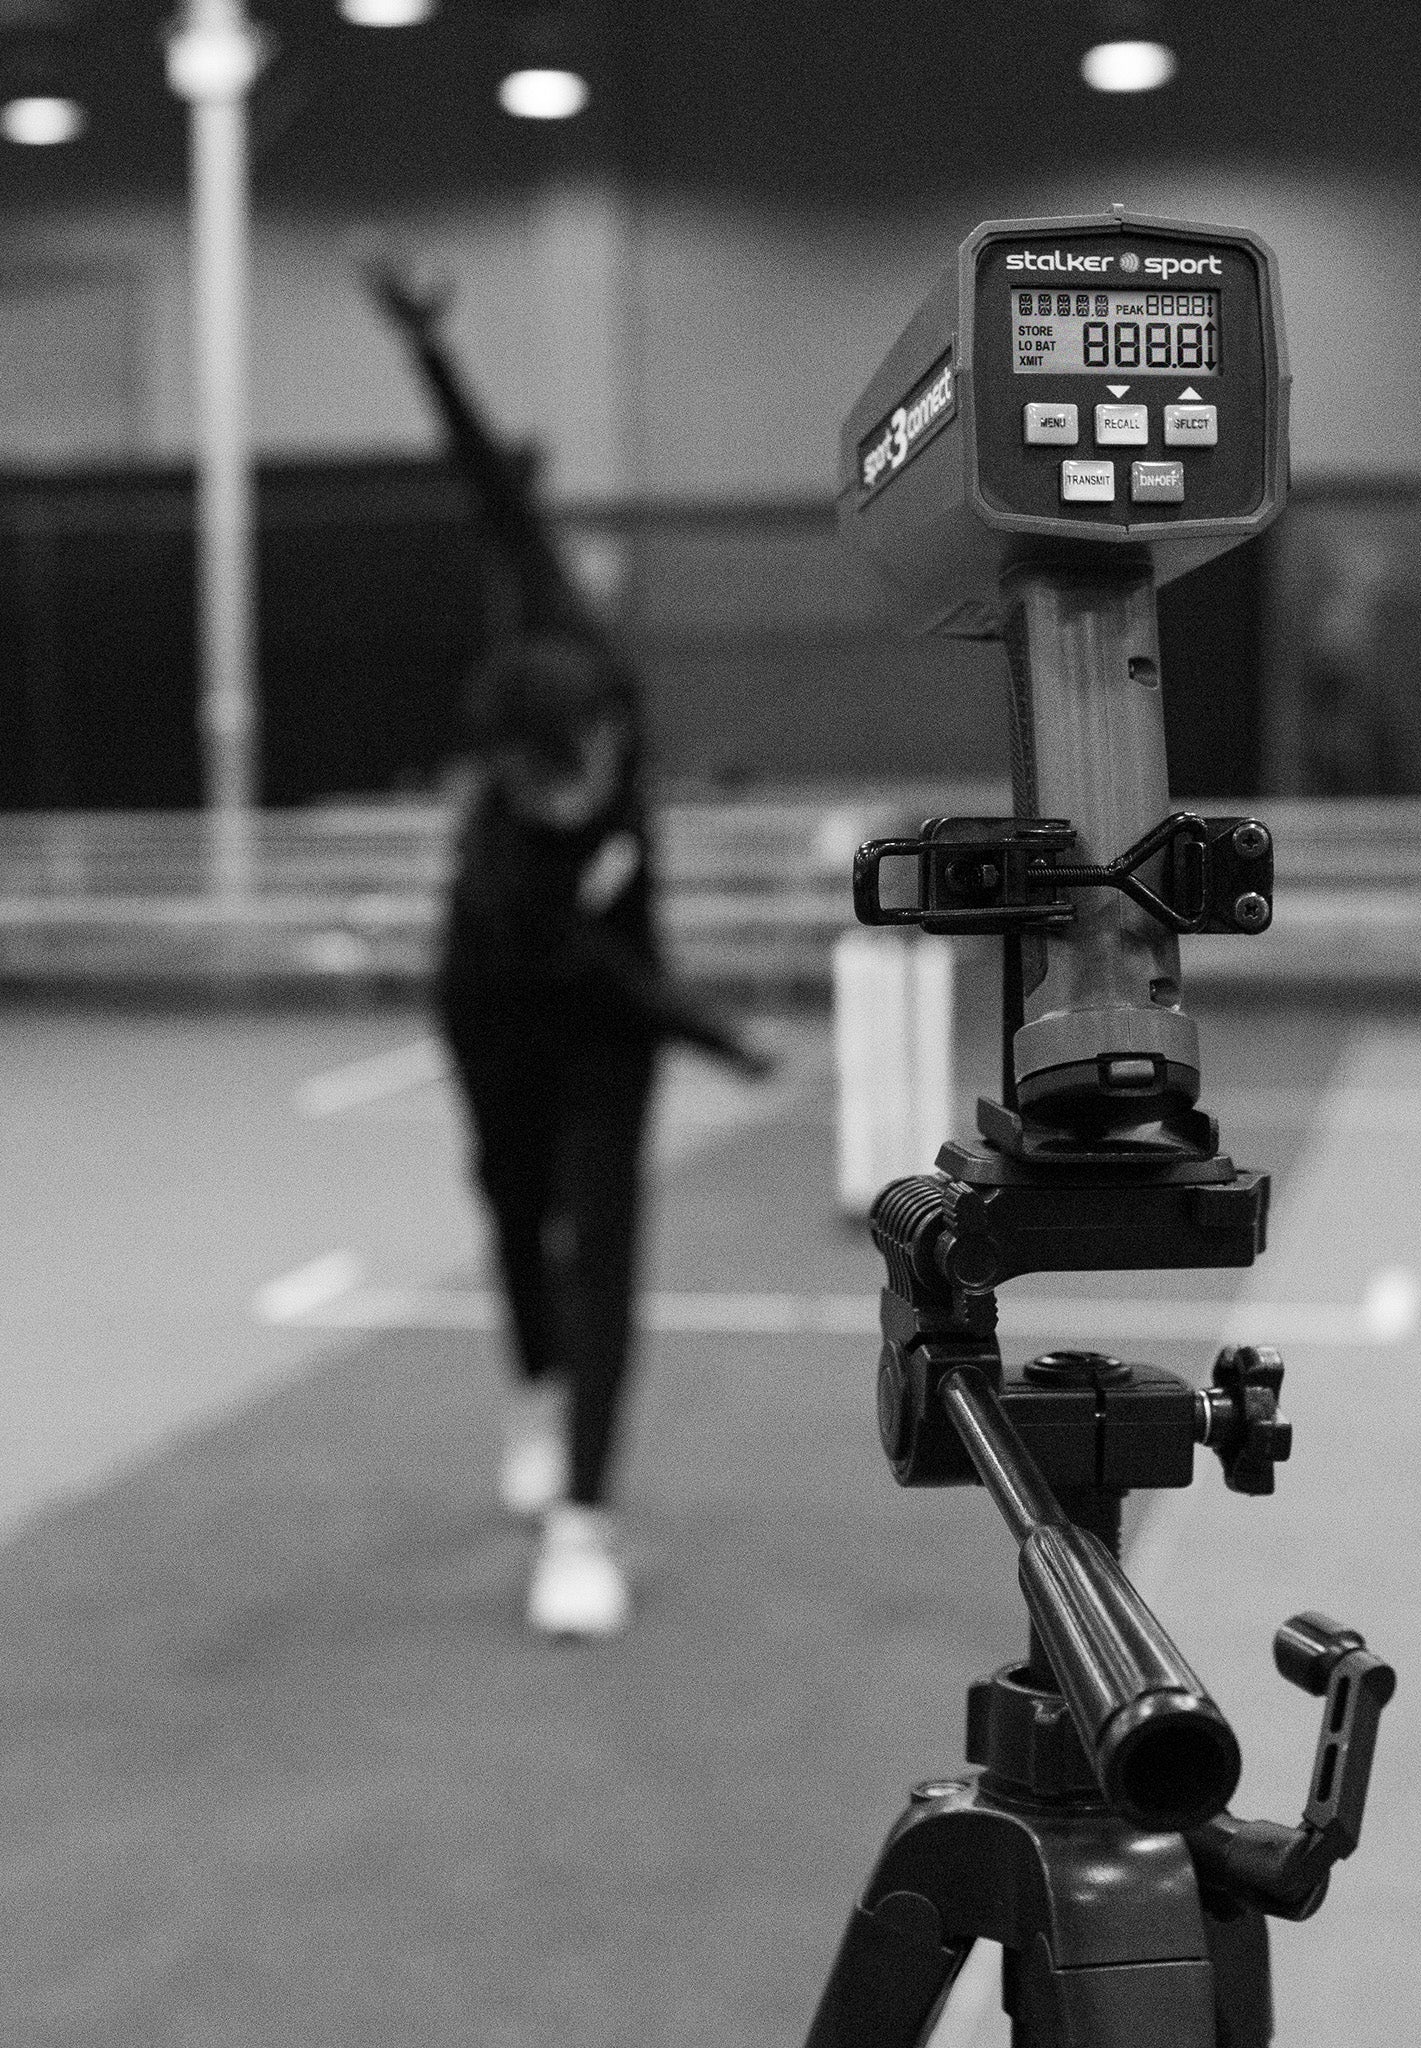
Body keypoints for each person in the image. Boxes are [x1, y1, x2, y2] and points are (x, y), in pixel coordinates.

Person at [369, 263, 768, 1637]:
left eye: (585, 771)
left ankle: (582, 1525)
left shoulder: (582, 659)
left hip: (609, 1031)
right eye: (543, 789)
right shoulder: (505, 880)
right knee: (513, 1212)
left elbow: (497, 499)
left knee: (602, 1246)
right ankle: (533, 1392)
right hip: (503, 1005)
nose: (574, 797)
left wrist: (429, 350)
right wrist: (719, 1031)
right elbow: (596, 965)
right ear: (506, 774)